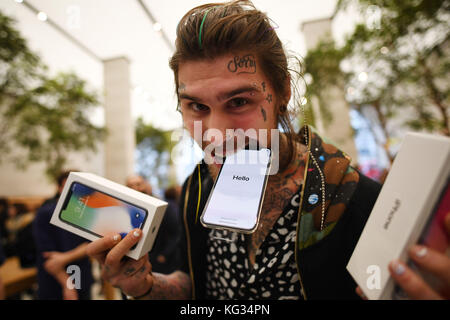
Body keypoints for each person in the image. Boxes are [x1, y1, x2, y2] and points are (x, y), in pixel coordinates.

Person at [86, 0, 450, 300]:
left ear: (282, 93)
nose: (214, 134)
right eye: (196, 106)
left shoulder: (352, 200)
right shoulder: (198, 188)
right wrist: (145, 285)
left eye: (239, 101)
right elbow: (195, 286)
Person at [32, 170, 94, 300]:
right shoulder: (45, 213)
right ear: (60, 188)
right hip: (54, 280)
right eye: (68, 187)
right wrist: (67, 285)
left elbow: (91, 245)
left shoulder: (87, 214)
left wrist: (64, 258)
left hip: (81, 275)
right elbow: (48, 257)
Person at [125, 176, 182, 274]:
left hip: (160, 264)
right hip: (135, 265)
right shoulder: (125, 210)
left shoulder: (163, 207)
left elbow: (176, 232)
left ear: (147, 185)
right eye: (131, 186)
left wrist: (164, 255)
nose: (135, 189)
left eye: (138, 184)